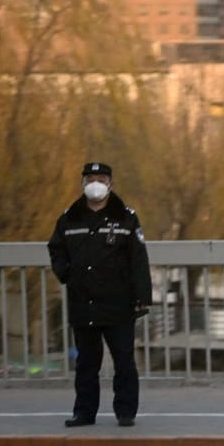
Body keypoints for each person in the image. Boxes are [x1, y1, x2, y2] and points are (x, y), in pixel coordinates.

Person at [47, 162, 151, 428]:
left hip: (118, 303)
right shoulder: (69, 218)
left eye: (101, 178)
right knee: (86, 363)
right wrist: (66, 273)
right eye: (91, 178)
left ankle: (126, 411)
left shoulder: (126, 217)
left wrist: (141, 297)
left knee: (124, 361)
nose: (96, 183)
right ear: (82, 184)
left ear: (110, 183)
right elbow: (56, 249)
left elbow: (138, 259)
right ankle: (84, 412)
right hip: (83, 301)